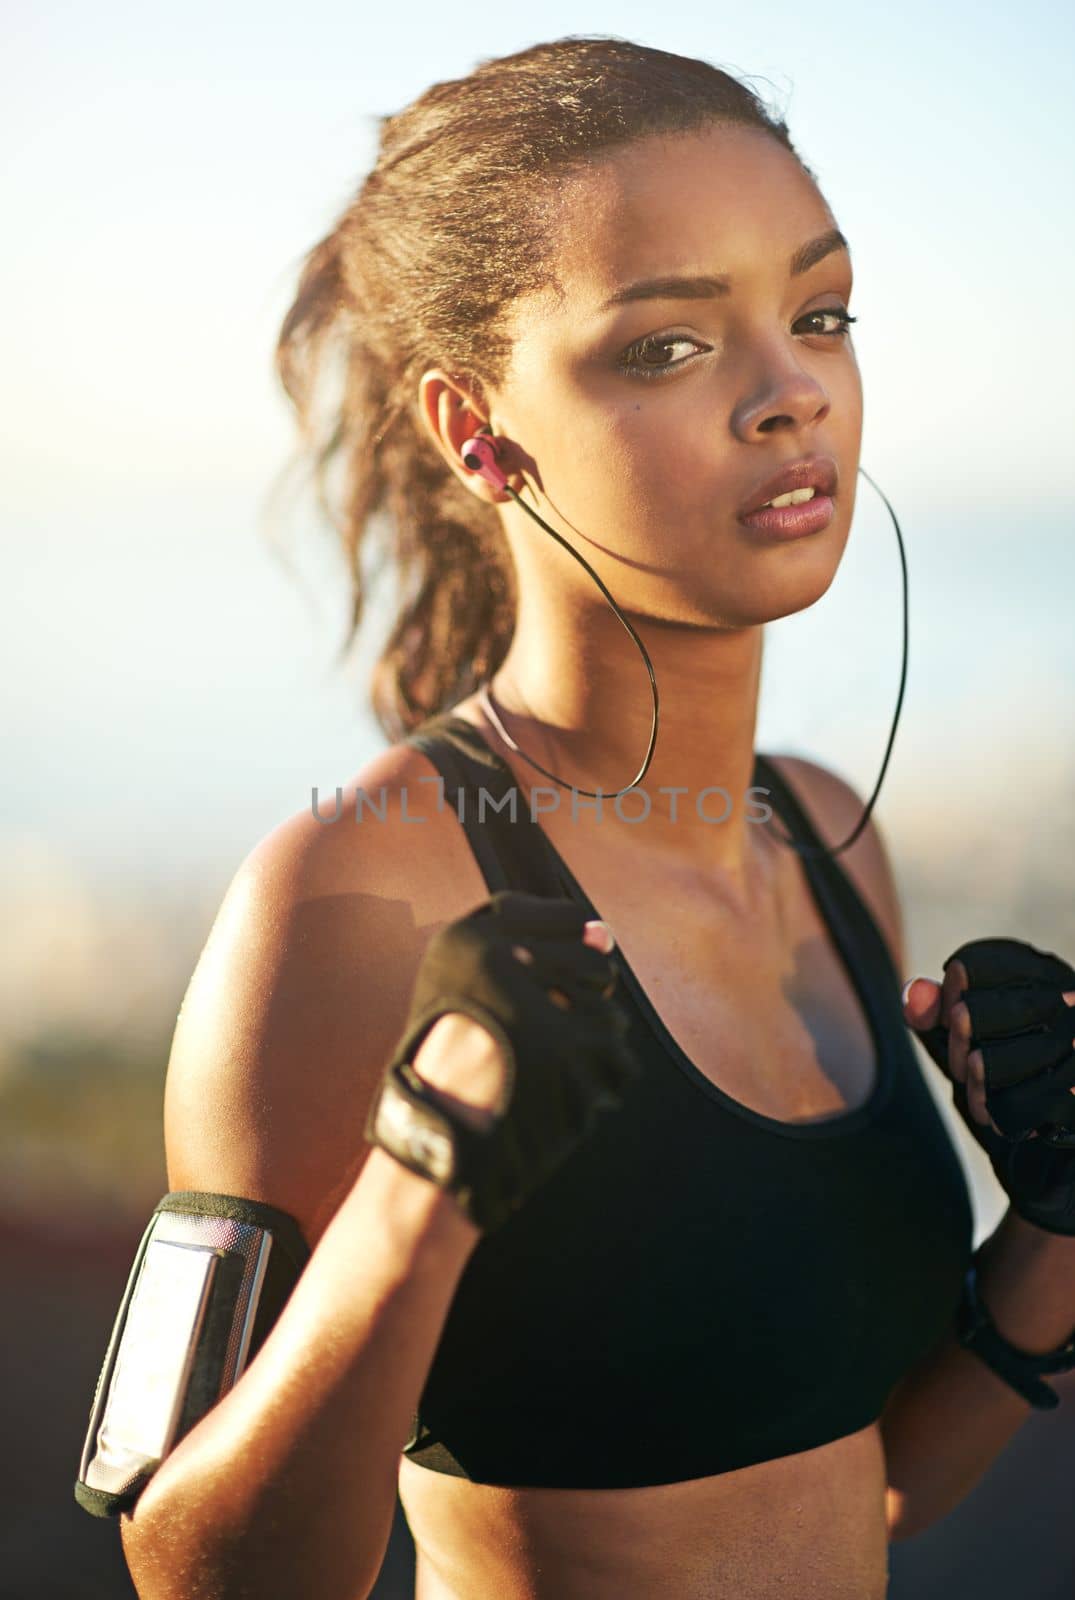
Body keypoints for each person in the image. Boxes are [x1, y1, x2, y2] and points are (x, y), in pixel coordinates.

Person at [111, 35, 1075, 1600]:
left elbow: (877, 1483)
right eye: (669, 348)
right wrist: (421, 1190)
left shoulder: (825, 839)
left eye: (818, 314)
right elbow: (194, 1570)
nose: (791, 394)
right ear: (478, 435)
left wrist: (1056, 1224)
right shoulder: (355, 899)